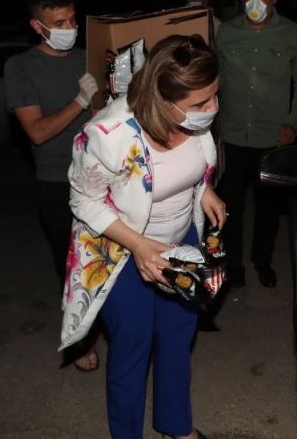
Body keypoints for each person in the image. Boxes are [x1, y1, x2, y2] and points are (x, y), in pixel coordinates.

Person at [60, 34, 226, 439]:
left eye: (215, 96)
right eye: (201, 103)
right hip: (122, 251)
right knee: (132, 347)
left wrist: (203, 189)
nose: (213, 109)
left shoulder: (194, 119)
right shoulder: (109, 134)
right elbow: (83, 200)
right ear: (163, 100)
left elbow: (188, 167)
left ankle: (175, 425)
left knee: (177, 336)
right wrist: (137, 244)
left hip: (181, 241)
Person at [4, 0, 101, 372]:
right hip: (57, 180)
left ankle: (115, 324)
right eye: (59, 22)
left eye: (72, 19)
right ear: (37, 25)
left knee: (110, 258)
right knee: (73, 267)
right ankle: (81, 342)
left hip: (100, 173)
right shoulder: (20, 67)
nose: (69, 27)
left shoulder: (88, 56)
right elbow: (37, 132)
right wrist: (79, 101)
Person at [215, 0, 297, 289]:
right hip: (232, 135)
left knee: (269, 207)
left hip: (273, 137)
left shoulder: (291, 33)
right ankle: (234, 267)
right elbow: (212, 78)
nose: (254, 0)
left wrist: (293, 122)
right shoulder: (226, 32)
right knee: (230, 207)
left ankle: (262, 259)